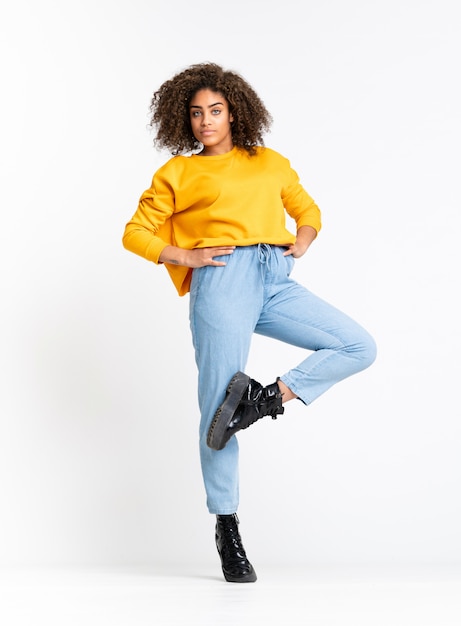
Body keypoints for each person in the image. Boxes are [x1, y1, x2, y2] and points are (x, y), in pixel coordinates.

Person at [122, 62, 376, 583]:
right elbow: (135, 232)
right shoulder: (179, 173)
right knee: (217, 408)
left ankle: (263, 402)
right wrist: (183, 256)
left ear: (234, 112)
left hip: (273, 276)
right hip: (221, 279)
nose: (205, 121)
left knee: (357, 345)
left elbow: (308, 210)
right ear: (184, 120)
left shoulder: (270, 162)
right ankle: (227, 526)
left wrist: (300, 242)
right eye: (195, 114)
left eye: (214, 110)